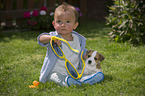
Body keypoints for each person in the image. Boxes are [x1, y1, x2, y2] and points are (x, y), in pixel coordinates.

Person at [37, 2, 104, 86]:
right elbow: (40, 39)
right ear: (54, 24)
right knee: (55, 77)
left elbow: (81, 53)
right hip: (55, 71)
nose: (63, 25)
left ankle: (86, 79)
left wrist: (88, 57)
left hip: (73, 72)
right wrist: (50, 38)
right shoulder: (54, 37)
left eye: (67, 21)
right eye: (59, 21)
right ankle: (66, 82)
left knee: (80, 74)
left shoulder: (78, 39)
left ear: (75, 25)